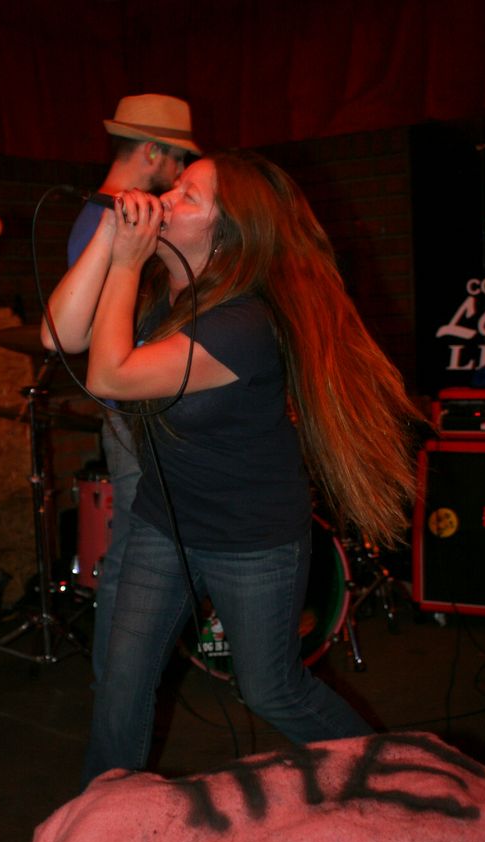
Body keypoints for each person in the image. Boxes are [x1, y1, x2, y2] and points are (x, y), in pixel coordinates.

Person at [44, 149, 419, 786]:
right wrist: (110, 235)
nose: (165, 198)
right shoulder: (161, 289)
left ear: (226, 236)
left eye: (187, 196)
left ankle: (395, 782)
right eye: (173, 185)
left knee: (271, 689)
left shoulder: (242, 325)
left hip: (252, 539)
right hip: (165, 523)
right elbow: (60, 337)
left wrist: (127, 261)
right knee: (121, 683)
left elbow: (110, 377)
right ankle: (101, 819)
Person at [49, 94, 200, 686]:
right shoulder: (113, 218)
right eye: (178, 159)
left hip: (139, 408)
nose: (180, 174)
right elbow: (75, 333)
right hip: (137, 413)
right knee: (138, 555)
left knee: (140, 551)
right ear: (153, 151)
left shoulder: (102, 214)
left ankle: (122, 681)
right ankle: (119, 681)